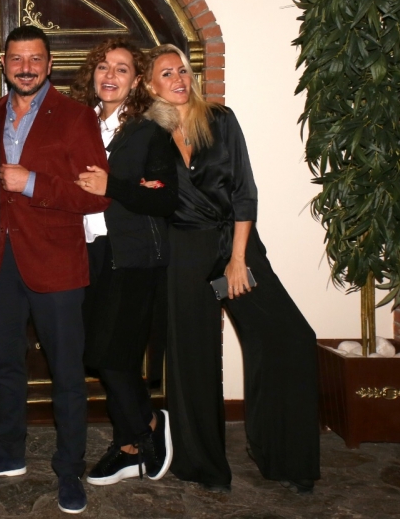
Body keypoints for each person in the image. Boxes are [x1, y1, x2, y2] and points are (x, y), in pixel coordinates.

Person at [141, 44, 320, 494]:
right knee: (193, 357)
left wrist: (238, 259)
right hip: (184, 250)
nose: (179, 79)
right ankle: (202, 465)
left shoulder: (220, 120)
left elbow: (244, 190)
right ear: (150, 86)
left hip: (233, 244)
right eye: (167, 74)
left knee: (289, 338)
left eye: (183, 70)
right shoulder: (149, 135)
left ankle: (284, 457)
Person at [0, 25, 109, 515]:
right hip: (1, 264)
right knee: (4, 366)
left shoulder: (77, 117)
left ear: (49, 65)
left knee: (66, 373)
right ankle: (8, 453)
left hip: (57, 264)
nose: (26, 68)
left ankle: (70, 469)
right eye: (17, 59)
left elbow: (96, 195)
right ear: (4, 64)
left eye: (35, 59)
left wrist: (31, 182)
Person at [72, 38, 178, 484]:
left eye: (121, 68)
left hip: (133, 257)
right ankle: (134, 439)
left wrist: (113, 186)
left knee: (113, 356)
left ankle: (144, 430)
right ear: (92, 75)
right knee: (103, 355)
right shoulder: (80, 125)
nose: (110, 75)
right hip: (87, 253)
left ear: (136, 81)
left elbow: (166, 199)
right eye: (103, 67)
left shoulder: (148, 132)